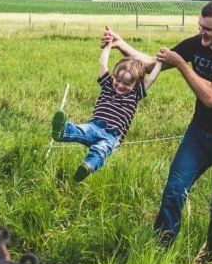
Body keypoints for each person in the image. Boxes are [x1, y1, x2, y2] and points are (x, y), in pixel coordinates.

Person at [105, 0, 212, 263]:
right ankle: (161, 250)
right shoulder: (196, 44)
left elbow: (210, 96)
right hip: (199, 133)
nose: (202, 33)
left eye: (208, 29)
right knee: (174, 189)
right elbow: (152, 64)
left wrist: (182, 64)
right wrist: (120, 44)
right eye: (200, 26)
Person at [51, 36, 162, 182]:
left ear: (136, 84)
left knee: (100, 150)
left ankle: (87, 166)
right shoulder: (108, 85)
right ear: (114, 76)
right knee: (80, 130)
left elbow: (151, 78)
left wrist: (160, 62)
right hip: (94, 125)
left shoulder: (136, 94)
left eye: (127, 84)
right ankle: (62, 132)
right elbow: (103, 64)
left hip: (112, 137)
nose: (120, 85)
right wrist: (108, 46)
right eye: (118, 79)